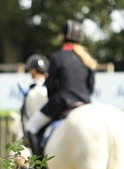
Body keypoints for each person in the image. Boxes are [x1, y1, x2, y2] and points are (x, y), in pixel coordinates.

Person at [24, 19, 96, 160]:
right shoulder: (87, 59)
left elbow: (50, 86)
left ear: (63, 37)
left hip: (62, 102)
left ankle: (40, 165)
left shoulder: (57, 57)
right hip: (85, 103)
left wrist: (52, 99)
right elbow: (90, 86)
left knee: (31, 128)